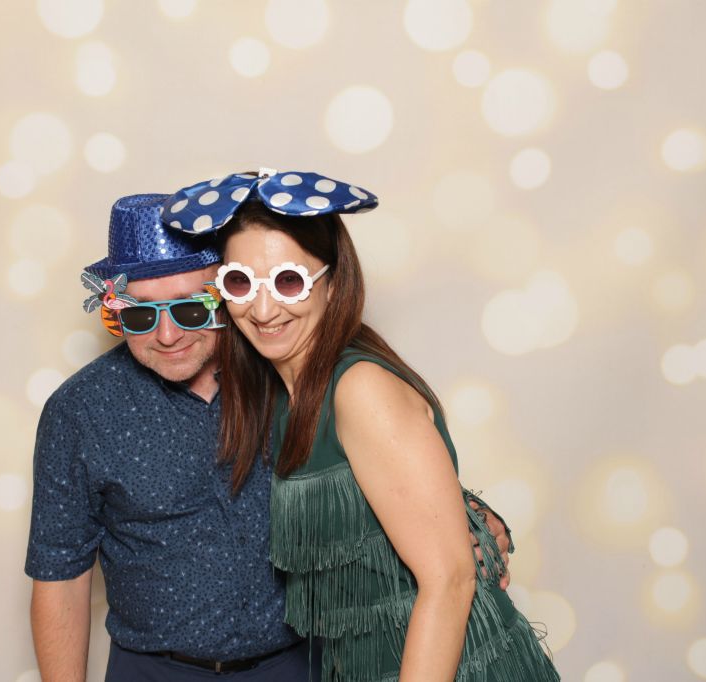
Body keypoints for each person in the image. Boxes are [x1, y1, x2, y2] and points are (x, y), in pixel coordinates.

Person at [25, 192, 514, 681]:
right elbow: (59, 577)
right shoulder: (80, 410)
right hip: (152, 670)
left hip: (302, 664)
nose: (168, 335)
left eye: (191, 309)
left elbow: (382, 467)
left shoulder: (287, 368)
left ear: (223, 289)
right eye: (140, 315)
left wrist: (468, 517)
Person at [161, 169, 560, 681]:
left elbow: (450, 581)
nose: (261, 309)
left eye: (288, 281)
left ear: (333, 283)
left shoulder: (359, 389)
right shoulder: (282, 393)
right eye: (240, 282)